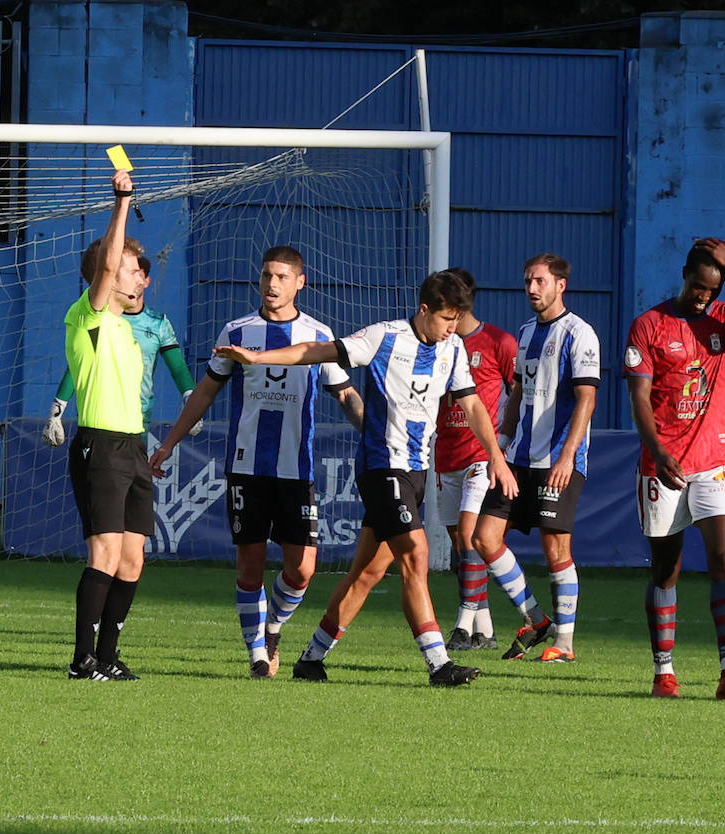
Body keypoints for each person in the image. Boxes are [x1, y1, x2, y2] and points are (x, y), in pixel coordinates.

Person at [213, 270, 517, 686]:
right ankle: (439, 665)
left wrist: (496, 457)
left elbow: (475, 406)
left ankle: (311, 658)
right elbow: (313, 351)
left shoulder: (454, 349)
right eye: (447, 318)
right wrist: (259, 357)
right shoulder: (383, 337)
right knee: (416, 554)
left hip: (415, 472)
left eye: (458, 319)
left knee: (368, 573)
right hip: (381, 467)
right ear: (424, 310)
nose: (452, 328)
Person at [150, 246, 363, 679]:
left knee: (302, 569)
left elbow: (344, 394)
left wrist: (376, 432)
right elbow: (205, 393)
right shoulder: (237, 331)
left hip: (295, 471)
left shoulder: (320, 336)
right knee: (249, 565)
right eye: (267, 275)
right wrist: (170, 442)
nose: (272, 284)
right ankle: (257, 656)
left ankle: (273, 628)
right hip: (246, 468)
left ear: (300, 282)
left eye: (282, 277)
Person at [623, 238, 725, 700]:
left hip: (717, 461)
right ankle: (664, 672)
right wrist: (658, 449)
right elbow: (639, 399)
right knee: (666, 570)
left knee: (724, 560)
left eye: (713, 289)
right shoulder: (649, 325)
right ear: (684, 273)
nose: (703, 296)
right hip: (662, 464)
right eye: (698, 285)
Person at [473, 253, 599, 663]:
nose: (531, 288)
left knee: (555, 549)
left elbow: (586, 399)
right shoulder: (526, 333)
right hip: (518, 458)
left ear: (561, 285)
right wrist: (503, 443)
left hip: (558, 461)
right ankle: (536, 618)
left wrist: (566, 458)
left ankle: (564, 643)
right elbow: (516, 395)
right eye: (528, 280)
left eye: (540, 281)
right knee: (484, 537)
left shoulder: (580, 334)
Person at [63, 168, 151, 681]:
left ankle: (110, 657)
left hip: (132, 448)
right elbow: (108, 267)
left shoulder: (126, 327)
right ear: (108, 273)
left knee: (133, 559)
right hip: (99, 446)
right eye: (134, 269)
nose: (142, 278)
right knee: (106, 550)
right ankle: (82, 660)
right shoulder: (87, 315)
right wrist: (121, 203)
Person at [433, 268, 517, 653]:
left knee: (470, 537)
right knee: (460, 543)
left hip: (480, 456)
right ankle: (485, 629)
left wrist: (505, 444)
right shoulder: (434, 340)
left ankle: (463, 626)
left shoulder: (499, 341)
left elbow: (519, 392)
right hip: (445, 453)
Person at [43, 254, 203, 448]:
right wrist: (56, 411)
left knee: (134, 473)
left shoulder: (158, 323)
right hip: (103, 420)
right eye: (130, 273)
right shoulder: (99, 319)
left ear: (146, 281)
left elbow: (177, 367)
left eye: (138, 274)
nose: (135, 281)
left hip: (140, 417)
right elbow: (78, 366)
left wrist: (191, 401)